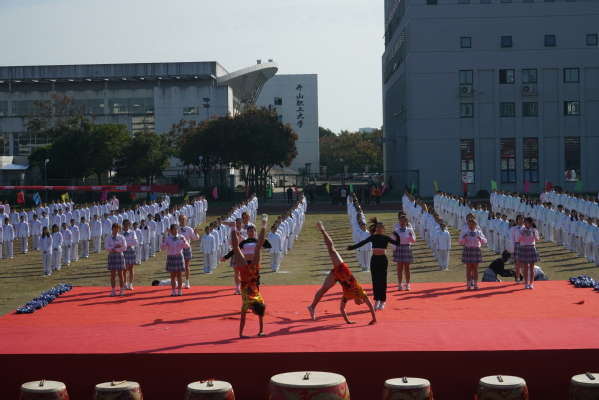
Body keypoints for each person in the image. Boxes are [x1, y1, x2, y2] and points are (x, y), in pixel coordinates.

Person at [308, 221, 377, 325]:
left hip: (337, 276)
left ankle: (312, 307)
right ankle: (322, 230)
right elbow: (371, 306)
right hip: (342, 269)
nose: (359, 304)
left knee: (324, 289)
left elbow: (342, 309)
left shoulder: (348, 296)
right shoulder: (361, 293)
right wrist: (374, 319)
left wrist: (348, 321)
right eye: (362, 302)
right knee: (332, 249)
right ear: (362, 299)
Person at [346, 217, 400, 310]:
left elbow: (398, 243)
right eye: (377, 227)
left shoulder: (385, 238)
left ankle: (382, 301)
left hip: (383, 260)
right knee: (375, 281)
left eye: (380, 227)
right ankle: (376, 300)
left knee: (382, 281)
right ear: (375, 228)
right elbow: (362, 243)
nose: (378, 229)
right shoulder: (373, 237)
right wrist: (351, 247)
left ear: (383, 229)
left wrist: (396, 234)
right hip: (374, 260)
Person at [231, 214, 269, 338]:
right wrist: (241, 334)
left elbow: (261, 314)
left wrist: (261, 331)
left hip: (254, 273)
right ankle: (232, 228)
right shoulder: (246, 303)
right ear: (253, 309)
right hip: (245, 275)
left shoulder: (260, 300)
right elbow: (243, 320)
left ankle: (264, 225)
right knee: (236, 249)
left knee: (258, 247)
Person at [160, 224, 189, 296]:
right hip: (171, 257)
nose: (176, 230)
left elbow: (187, 246)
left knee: (179, 275)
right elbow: (163, 247)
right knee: (172, 275)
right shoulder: (168, 238)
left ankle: (179, 290)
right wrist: (163, 242)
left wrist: (184, 241)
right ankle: (173, 291)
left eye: (176, 229)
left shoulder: (181, 237)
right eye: (174, 229)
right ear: (171, 230)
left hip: (179, 256)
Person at [458, 219, 487, 290]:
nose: (471, 226)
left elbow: (485, 241)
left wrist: (480, 239)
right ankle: (468, 285)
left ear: (475, 225)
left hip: (476, 250)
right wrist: (463, 238)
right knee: (469, 269)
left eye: (472, 225)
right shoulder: (465, 232)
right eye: (469, 225)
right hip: (468, 250)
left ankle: (476, 284)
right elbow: (460, 242)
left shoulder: (478, 232)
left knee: (475, 269)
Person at [393, 215, 416, 290]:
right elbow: (393, 240)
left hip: (407, 248)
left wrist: (411, 236)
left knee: (407, 268)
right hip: (399, 248)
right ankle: (400, 284)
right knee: (399, 268)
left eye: (404, 221)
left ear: (406, 222)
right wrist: (394, 249)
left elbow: (413, 240)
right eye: (401, 221)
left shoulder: (410, 230)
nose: (402, 222)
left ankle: (407, 284)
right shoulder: (396, 230)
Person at [517, 217, 540, 289]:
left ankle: (531, 283)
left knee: (532, 267)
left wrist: (534, 235)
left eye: (526, 222)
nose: (525, 223)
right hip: (524, 247)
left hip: (531, 247)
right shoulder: (521, 230)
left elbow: (538, 240)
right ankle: (526, 283)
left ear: (530, 223)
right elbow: (518, 239)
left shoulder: (534, 230)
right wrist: (522, 235)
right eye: (525, 222)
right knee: (525, 267)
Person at [105, 222, 127, 297]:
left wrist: (116, 249)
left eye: (117, 228)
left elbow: (124, 247)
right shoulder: (108, 237)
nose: (116, 230)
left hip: (120, 255)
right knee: (112, 275)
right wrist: (114, 247)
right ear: (112, 229)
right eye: (114, 228)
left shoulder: (121, 237)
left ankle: (121, 290)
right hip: (112, 255)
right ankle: (113, 291)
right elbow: (106, 247)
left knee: (121, 274)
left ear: (119, 229)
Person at [178, 214, 200, 289]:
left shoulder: (189, 229)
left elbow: (196, 238)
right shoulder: (176, 228)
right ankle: (179, 282)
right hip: (179, 248)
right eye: (181, 219)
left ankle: (187, 282)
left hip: (187, 248)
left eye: (183, 219)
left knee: (187, 266)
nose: (182, 221)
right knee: (179, 267)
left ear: (186, 220)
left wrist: (196, 233)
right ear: (179, 220)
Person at [121, 219, 138, 290]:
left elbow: (135, 242)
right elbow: (120, 243)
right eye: (125, 224)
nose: (126, 226)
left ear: (129, 225)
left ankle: (130, 284)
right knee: (124, 269)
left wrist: (125, 243)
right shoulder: (120, 233)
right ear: (123, 225)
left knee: (131, 268)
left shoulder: (132, 232)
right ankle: (124, 284)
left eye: (127, 224)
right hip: (123, 251)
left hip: (131, 250)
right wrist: (128, 242)